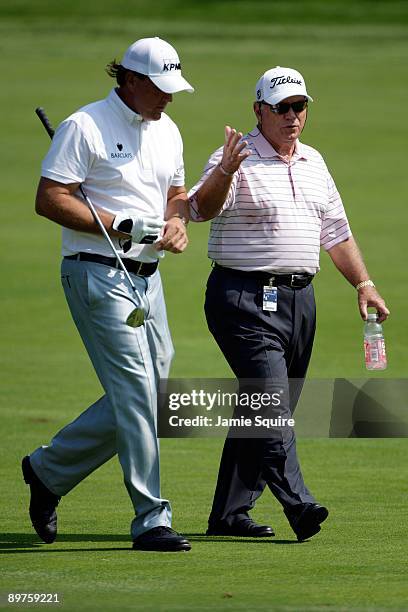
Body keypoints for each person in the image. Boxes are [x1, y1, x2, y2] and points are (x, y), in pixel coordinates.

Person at [189, 66, 390, 541]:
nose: (292, 116)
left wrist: (364, 283)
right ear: (258, 110)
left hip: (300, 300)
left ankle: (230, 514)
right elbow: (199, 209)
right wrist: (225, 171)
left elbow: (335, 232)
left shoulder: (314, 162)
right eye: (281, 107)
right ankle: (298, 504)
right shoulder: (233, 156)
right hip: (242, 297)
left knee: (264, 407)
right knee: (272, 404)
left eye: (299, 107)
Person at [22, 37, 194, 552]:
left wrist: (177, 223)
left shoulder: (168, 128)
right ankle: (151, 518)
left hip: (148, 277)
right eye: (160, 88)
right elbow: (49, 198)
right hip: (97, 273)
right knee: (139, 394)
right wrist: (119, 225)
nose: (169, 98)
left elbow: (176, 195)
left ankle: (47, 469)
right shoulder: (85, 125)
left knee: (151, 392)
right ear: (132, 80)